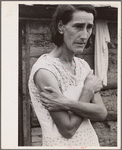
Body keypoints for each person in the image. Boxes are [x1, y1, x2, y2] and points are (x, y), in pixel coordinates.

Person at [28, 4, 107, 147]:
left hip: (90, 143)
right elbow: (67, 129)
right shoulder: (45, 70)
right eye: (78, 26)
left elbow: (101, 113)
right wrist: (87, 91)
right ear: (61, 27)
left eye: (89, 27)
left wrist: (65, 102)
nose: (84, 35)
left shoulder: (83, 66)